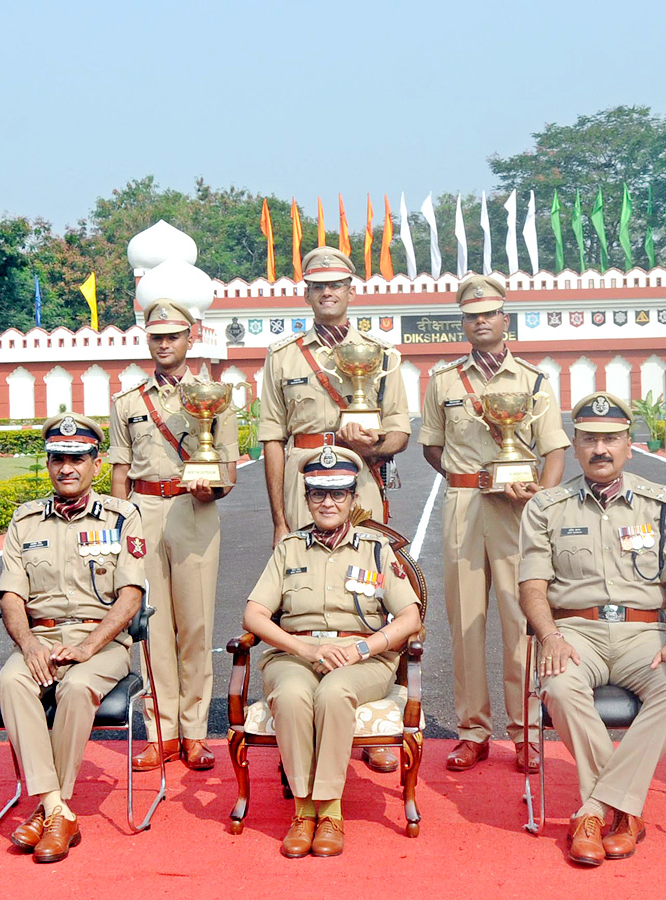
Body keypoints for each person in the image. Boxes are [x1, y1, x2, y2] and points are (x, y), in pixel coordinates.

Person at [518, 392, 666, 867]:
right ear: (574, 446)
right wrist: (549, 636)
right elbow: (532, 585)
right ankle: (624, 811)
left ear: (629, 445)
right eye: (590, 439)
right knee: (557, 684)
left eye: (611, 438)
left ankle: (597, 809)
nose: (601, 448)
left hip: (645, 634)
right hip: (576, 631)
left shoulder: (661, 504)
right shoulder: (546, 507)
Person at [258, 246, 411, 774]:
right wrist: (280, 518)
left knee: (369, 587)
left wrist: (369, 448)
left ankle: (375, 717)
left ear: (351, 290)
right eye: (318, 286)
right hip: (303, 481)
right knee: (297, 589)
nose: (328, 293)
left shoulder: (383, 355)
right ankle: (296, 720)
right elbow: (273, 440)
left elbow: (399, 434)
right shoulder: (283, 357)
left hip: (359, 484)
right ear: (306, 293)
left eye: (338, 284)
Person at [242, 446, 423, 858]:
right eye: (319, 494)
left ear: (353, 499)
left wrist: (362, 648)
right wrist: (303, 648)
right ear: (306, 499)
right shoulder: (289, 548)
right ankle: (303, 811)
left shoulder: (377, 549)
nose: (328, 503)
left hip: (361, 657)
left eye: (338, 493)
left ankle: (330, 810)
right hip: (295, 653)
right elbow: (254, 615)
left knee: (334, 693)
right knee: (290, 695)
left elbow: (409, 617)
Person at [419, 274, 568, 773]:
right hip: (464, 505)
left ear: (505, 319)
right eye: (471, 315)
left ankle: (526, 730)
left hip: (518, 511)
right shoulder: (444, 381)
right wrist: (469, 478)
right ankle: (472, 730)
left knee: (520, 621)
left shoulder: (534, 381)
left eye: (489, 313)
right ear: (462, 322)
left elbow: (554, 449)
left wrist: (540, 498)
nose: (480, 321)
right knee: (465, 623)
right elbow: (432, 446)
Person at [0, 413, 147, 864]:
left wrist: (86, 647)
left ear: (96, 464)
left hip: (99, 643)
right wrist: (28, 645)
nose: (67, 468)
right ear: (48, 464)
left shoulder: (123, 517)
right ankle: (58, 809)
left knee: (78, 687)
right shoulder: (24, 521)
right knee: (10, 682)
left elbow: (131, 597)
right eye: (58, 458)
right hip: (39, 639)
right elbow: (11, 595)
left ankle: (47, 810)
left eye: (78, 458)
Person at [109, 299, 237, 773]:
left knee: (196, 625)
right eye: (156, 336)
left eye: (173, 336)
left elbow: (226, 466)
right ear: (147, 339)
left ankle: (195, 733)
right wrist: (117, 527)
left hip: (194, 510)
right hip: (144, 512)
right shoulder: (129, 401)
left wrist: (212, 488)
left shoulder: (215, 396)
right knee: (152, 627)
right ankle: (159, 732)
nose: (164, 344)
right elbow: (120, 470)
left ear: (190, 338)